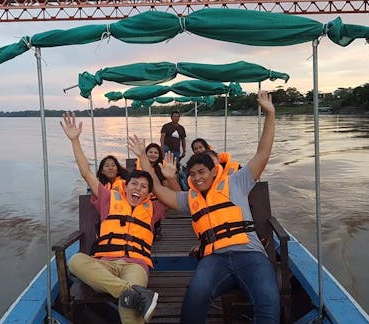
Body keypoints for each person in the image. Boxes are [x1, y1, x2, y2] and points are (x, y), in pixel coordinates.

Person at [130, 91, 280, 323]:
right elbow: (159, 191)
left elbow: (263, 153)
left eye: (201, 172)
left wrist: (270, 114)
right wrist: (143, 158)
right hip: (214, 259)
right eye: (192, 174)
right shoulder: (191, 198)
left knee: (268, 305)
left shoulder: (237, 182)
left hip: (250, 254)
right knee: (192, 303)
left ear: (213, 171)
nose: (197, 178)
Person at [60, 111, 165, 324]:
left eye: (144, 186)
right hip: (104, 264)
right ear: (125, 186)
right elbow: (86, 173)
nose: (139, 188)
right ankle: (130, 293)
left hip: (135, 264)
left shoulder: (154, 208)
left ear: (148, 193)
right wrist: (75, 140)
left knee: (128, 306)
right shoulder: (109, 199)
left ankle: (129, 295)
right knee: (76, 260)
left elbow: (171, 190)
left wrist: (145, 158)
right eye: (134, 183)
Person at [136, 143, 181, 240]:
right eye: (150, 152)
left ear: (159, 155)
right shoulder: (139, 167)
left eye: (156, 152)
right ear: (145, 154)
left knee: (155, 208)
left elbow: (167, 187)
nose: (153, 154)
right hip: (143, 198)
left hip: (157, 199)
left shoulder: (162, 168)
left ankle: (156, 227)